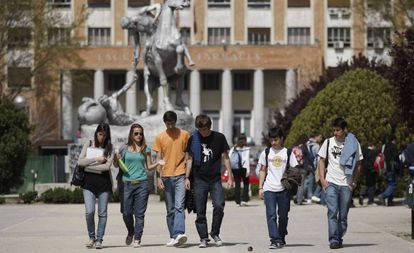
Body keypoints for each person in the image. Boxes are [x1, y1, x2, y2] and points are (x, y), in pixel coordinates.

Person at [185, 114, 234, 248]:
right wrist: (186, 178)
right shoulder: (193, 139)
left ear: (209, 127)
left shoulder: (219, 138)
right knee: (200, 210)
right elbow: (189, 159)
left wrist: (230, 176)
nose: (203, 132)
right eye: (200, 130)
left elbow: (226, 158)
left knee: (219, 205)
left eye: (205, 129)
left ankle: (214, 232)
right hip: (199, 179)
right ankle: (203, 237)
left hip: (215, 179)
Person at [114, 123, 165, 247]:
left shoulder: (145, 149)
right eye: (136, 133)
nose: (139, 136)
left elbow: (148, 167)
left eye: (141, 133)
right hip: (127, 184)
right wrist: (116, 159)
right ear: (131, 134)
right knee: (126, 212)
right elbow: (116, 165)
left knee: (139, 214)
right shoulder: (123, 148)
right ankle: (131, 231)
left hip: (142, 184)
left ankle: (137, 238)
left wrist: (158, 162)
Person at [318, 117, 363, 249]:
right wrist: (323, 180)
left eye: (338, 130)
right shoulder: (328, 142)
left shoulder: (353, 143)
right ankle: (333, 240)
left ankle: (339, 236)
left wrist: (354, 182)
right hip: (331, 182)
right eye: (334, 130)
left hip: (346, 184)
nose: (335, 133)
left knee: (343, 216)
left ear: (344, 130)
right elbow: (321, 160)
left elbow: (359, 164)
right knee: (332, 212)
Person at [153, 111, 190, 247]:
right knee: (170, 209)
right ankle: (174, 236)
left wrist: (187, 176)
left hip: (180, 174)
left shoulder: (185, 135)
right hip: (166, 176)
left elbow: (188, 155)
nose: (170, 126)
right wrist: (158, 178)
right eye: (168, 124)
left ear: (176, 121)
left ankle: (180, 232)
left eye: (172, 123)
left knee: (179, 206)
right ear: (165, 123)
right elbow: (158, 160)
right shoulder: (160, 137)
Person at [258, 127, 299, 249]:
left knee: (283, 216)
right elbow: (262, 170)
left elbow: (295, 170)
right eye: (271, 140)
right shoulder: (266, 152)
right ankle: (274, 239)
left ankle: (281, 237)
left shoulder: (288, 152)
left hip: (284, 189)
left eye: (276, 140)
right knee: (271, 215)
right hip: (269, 188)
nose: (273, 142)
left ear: (281, 138)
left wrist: (292, 179)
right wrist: (260, 187)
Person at [77, 123, 114, 249]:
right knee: (89, 212)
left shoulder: (110, 147)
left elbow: (106, 166)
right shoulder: (89, 143)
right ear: (96, 133)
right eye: (100, 134)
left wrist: (88, 166)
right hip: (88, 184)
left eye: (104, 135)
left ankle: (99, 239)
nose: (102, 137)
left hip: (104, 185)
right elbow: (80, 162)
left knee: (102, 213)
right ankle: (91, 237)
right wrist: (95, 159)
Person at [229, 133, 250, 206]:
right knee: (246, 184)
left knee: (237, 184)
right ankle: (244, 200)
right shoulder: (246, 148)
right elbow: (246, 159)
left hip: (235, 168)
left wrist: (230, 170)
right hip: (244, 168)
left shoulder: (233, 148)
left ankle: (238, 202)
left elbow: (229, 158)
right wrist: (248, 170)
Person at [378, 136, 399, 206]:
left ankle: (390, 201)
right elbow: (396, 156)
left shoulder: (384, 146)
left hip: (385, 168)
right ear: (394, 140)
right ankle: (383, 195)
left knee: (389, 184)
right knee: (393, 184)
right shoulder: (393, 146)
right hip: (391, 168)